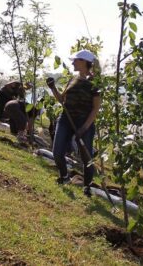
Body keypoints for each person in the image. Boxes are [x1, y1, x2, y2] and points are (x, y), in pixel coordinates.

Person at [46, 49, 101, 196]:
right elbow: (61, 100)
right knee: (57, 152)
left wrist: (84, 127)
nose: (72, 63)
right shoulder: (73, 79)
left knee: (86, 157)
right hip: (66, 119)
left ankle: (87, 186)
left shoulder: (95, 83)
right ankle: (64, 176)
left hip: (84, 122)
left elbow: (95, 108)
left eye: (75, 60)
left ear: (83, 62)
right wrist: (53, 88)